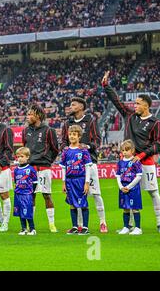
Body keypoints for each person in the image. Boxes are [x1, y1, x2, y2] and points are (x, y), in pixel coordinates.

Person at [102, 70, 160, 233]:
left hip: (146, 163)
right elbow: (116, 101)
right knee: (128, 192)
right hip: (129, 164)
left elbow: (158, 144)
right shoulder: (130, 116)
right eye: (135, 103)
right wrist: (106, 85)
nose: (134, 105)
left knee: (153, 192)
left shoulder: (155, 122)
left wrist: (141, 155)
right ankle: (129, 225)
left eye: (138, 103)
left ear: (146, 105)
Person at [61, 97, 108, 233]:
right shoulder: (67, 123)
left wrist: (86, 146)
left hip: (89, 163)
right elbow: (63, 142)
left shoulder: (90, 121)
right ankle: (79, 225)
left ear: (81, 106)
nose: (70, 106)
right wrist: (65, 149)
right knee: (77, 196)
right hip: (73, 167)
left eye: (73, 104)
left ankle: (102, 222)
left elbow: (97, 140)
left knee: (96, 194)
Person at [21, 104, 59, 233]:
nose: (28, 116)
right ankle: (31, 225)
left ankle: (52, 224)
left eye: (31, 114)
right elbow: (24, 149)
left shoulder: (49, 131)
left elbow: (55, 149)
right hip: (30, 169)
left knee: (46, 195)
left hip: (44, 168)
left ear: (38, 115)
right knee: (30, 196)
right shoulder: (25, 131)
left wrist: (48, 161)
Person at [60, 125, 92, 235]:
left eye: (74, 134)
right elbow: (63, 167)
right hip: (69, 181)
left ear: (79, 136)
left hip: (80, 179)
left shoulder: (83, 150)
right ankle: (74, 226)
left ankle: (85, 227)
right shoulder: (66, 151)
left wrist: (87, 183)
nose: (72, 136)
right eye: (70, 134)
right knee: (72, 203)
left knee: (83, 203)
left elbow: (88, 166)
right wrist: (63, 182)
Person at [116, 140, 143, 235]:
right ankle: (126, 227)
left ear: (132, 151)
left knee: (135, 208)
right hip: (123, 189)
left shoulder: (135, 161)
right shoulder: (120, 163)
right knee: (125, 208)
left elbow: (139, 176)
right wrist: (121, 187)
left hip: (133, 188)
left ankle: (138, 228)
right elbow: (118, 176)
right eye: (123, 150)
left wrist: (129, 186)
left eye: (126, 150)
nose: (124, 152)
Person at [13, 147, 37, 236]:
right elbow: (16, 182)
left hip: (27, 194)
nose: (19, 158)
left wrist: (32, 193)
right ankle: (23, 228)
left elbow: (35, 182)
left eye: (22, 156)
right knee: (19, 212)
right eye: (18, 157)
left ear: (27, 157)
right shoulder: (16, 170)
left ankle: (32, 228)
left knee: (27, 212)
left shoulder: (30, 169)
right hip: (18, 193)